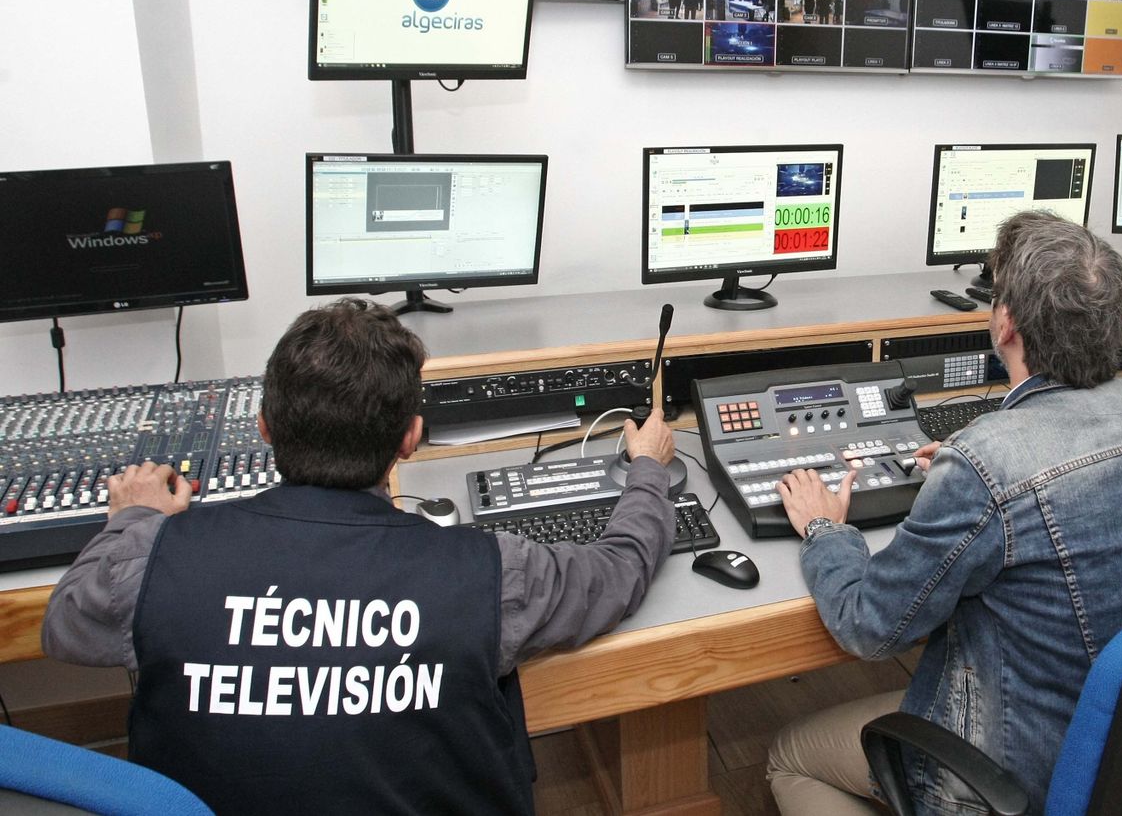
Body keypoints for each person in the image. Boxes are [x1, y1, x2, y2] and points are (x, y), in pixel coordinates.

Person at [41, 298, 677, 815]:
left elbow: (65, 624)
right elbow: (617, 571)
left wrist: (134, 517)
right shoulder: (492, 571)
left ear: (263, 428)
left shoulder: (151, 561)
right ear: (410, 439)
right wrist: (646, 469)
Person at [766, 212, 1122, 815]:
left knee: (789, 755)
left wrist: (825, 529)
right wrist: (969, 475)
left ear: (1005, 322)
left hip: (1020, 773)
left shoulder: (986, 463)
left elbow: (871, 627)